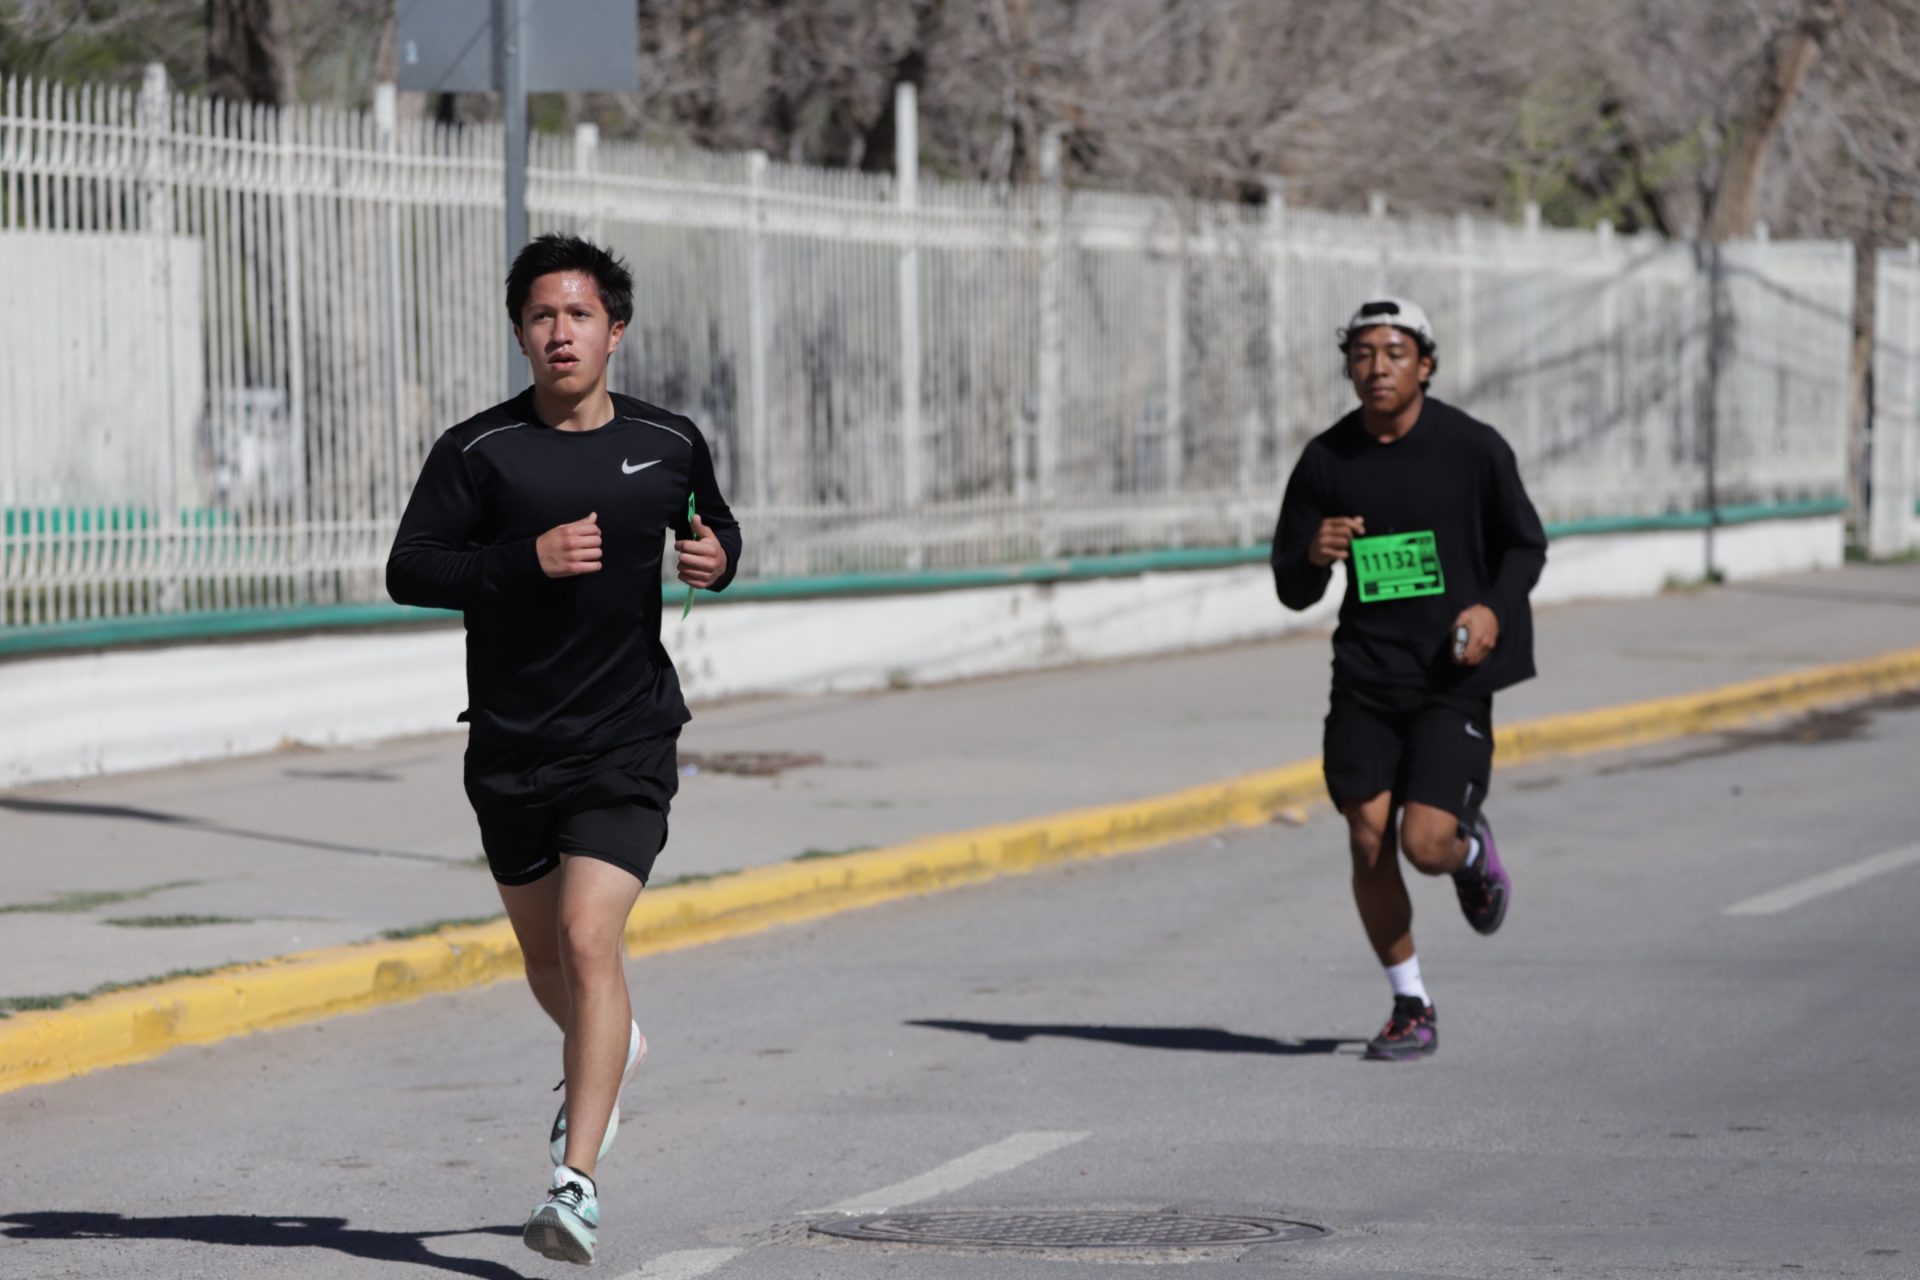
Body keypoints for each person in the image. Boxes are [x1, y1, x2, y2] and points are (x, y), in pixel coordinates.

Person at [387, 234, 741, 1262]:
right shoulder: (479, 451)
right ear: (519, 333)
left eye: (579, 314)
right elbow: (411, 568)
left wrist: (717, 558)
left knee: (590, 942)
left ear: (614, 330)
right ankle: (613, 1043)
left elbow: (714, 526)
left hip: (627, 736)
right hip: (510, 744)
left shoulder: (668, 440)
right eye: (542, 316)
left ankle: (573, 1183)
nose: (561, 333)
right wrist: (523, 559)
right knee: (546, 957)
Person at [1271, 297, 1546, 1062]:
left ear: (1425, 364)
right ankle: (1410, 1004)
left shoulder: (1472, 449)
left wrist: (1492, 610)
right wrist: (1313, 554)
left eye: (1394, 353)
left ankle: (1469, 857)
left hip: (1449, 675)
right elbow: (1291, 586)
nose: (1377, 367)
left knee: (1425, 843)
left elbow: (1525, 546)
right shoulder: (1327, 460)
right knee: (1367, 838)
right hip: (1366, 675)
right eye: (1362, 354)